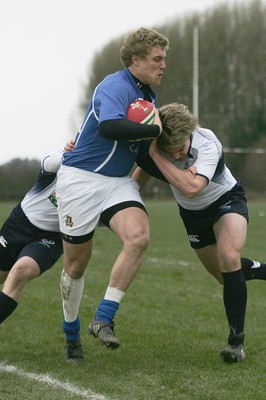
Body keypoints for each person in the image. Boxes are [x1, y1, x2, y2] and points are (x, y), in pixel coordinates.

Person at [55, 27, 169, 363]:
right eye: (157, 59)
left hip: (117, 182)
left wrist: (179, 173)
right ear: (136, 60)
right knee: (76, 266)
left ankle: (103, 318)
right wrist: (154, 130)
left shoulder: (148, 96)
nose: (163, 65)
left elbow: (142, 151)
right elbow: (110, 127)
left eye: (165, 60)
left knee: (139, 237)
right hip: (80, 181)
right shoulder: (114, 85)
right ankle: (71, 335)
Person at [132, 102, 266, 363]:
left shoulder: (207, 142)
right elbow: (139, 178)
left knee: (229, 258)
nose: (178, 156)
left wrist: (158, 157)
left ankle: (235, 344)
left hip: (226, 199)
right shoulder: (157, 147)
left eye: (180, 150)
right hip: (193, 216)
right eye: (171, 152)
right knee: (224, 276)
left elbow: (192, 189)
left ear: (189, 135)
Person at [0, 141, 74, 327]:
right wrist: (70, 154)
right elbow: (49, 162)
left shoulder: (96, 180)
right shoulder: (60, 157)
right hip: (18, 224)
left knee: (19, 273)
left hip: (50, 238)